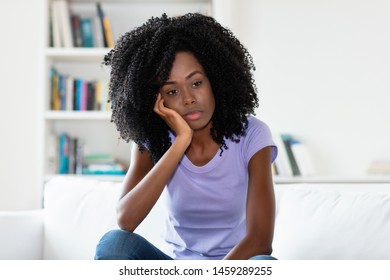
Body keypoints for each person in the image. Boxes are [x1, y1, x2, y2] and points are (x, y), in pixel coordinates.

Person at [94, 13, 278, 260]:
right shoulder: (154, 139)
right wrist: (180, 142)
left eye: (196, 83)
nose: (188, 98)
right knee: (114, 244)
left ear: (216, 80)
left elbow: (261, 240)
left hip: (233, 269)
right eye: (172, 90)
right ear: (158, 99)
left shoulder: (253, 134)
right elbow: (126, 220)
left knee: (265, 264)